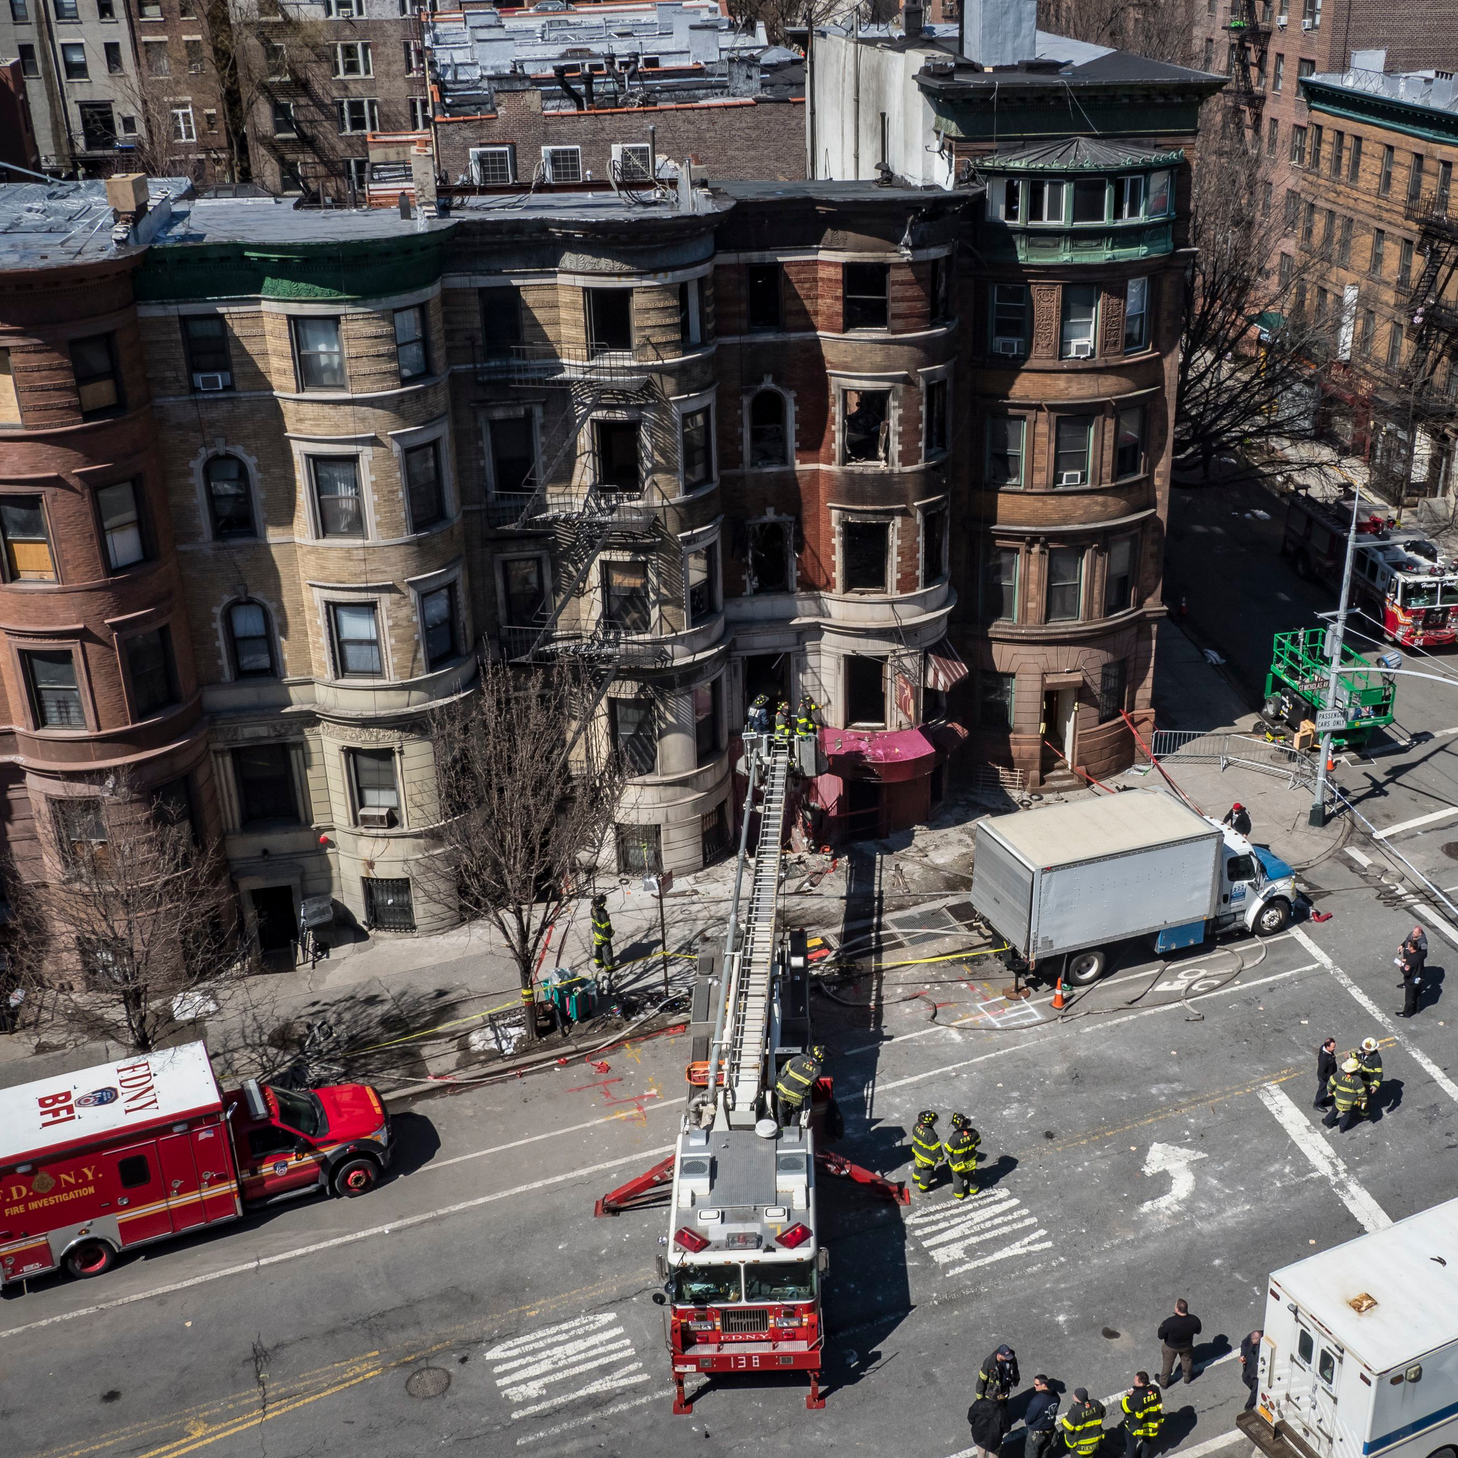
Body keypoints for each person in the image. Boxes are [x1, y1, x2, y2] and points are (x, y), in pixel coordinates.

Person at [774, 1044, 825, 1123]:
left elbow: (783, 1071)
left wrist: (781, 1078)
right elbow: (812, 1083)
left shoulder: (797, 1059)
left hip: (784, 1091)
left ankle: (782, 1129)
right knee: (796, 1113)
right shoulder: (817, 1070)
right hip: (797, 1097)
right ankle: (793, 1131)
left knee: (782, 1114)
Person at [1157, 1299, 1202, 1387]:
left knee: (1167, 1364)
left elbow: (1160, 1335)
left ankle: (1163, 1382)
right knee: (1187, 1361)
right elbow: (1198, 1331)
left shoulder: (1169, 1322)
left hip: (1170, 1347)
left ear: (1177, 1309)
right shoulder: (1194, 1320)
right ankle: (1187, 1378)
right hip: (1187, 1346)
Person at [1120, 1372, 1164, 1458]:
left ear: (1140, 1382)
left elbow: (1125, 1408)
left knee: (1131, 1445)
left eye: (1135, 1380)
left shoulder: (1137, 1396)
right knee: (1147, 1441)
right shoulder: (1155, 1389)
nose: (1134, 1380)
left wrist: (1127, 1396)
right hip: (1151, 1423)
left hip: (1137, 1426)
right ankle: (1145, 1456)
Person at [945, 1113, 983, 1202]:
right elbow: (978, 1142)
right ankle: (974, 1190)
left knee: (958, 1179)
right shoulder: (974, 1133)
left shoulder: (955, 1138)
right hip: (971, 1162)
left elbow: (948, 1150)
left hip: (958, 1164)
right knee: (972, 1176)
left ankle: (959, 1194)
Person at [1060, 1388, 1107, 1458]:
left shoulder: (1074, 1412)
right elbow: (1103, 1413)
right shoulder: (1096, 1404)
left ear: (1078, 1398)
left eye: (1075, 1395)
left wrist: (1065, 1419)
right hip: (1094, 1443)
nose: (1073, 1396)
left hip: (1080, 1446)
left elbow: (1067, 1428)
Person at [1324, 1056, 1368, 1132]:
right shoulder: (1357, 1080)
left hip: (1338, 1100)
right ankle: (1342, 1128)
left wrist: (1330, 1091)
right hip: (1349, 1103)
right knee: (1347, 1115)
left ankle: (1328, 1122)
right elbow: (1362, 1093)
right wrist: (1364, 1101)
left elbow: (1330, 1084)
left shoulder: (1339, 1074)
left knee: (1334, 1111)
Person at [1024, 1374, 1061, 1458]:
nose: (1034, 1386)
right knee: (1044, 1453)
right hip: (1049, 1432)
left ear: (1043, 1385)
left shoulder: (1037, 1401)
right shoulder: (1056, 1397)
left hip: (1036, 1434)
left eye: (1036, 1384)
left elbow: (1029, 1419)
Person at [911, 1109, 943, 1193]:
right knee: (927, 1172)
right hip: (927, 1158)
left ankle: (915, 1179)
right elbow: (936, 1148)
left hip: (917, 1153)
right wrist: (940, 1157)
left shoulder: (916, 1126)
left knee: (918, 1166)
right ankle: (923, 1187)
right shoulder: (930, 1133)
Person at [1397, 929, 1427, 1017]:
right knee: (1417, 995)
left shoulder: (1410, 959)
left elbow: (1406, 973)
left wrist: (1401, 966)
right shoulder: (1420, 954)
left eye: (1409, 946)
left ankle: (1407, 1013)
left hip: (1412, 981)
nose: (1408, 947)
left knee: (1409, 998)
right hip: (1420, 978)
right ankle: (1417, 1009)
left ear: (1412, 948)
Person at [590, 895, 614, 985]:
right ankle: (608, 968)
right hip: (604, 937)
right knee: (607, 952)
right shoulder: (602, 914)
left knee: (598, 950)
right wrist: (611, 933)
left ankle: (598, 963)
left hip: (597, 935)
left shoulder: (593, 910)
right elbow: (607, 928)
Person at [1239, 1331, 1263, 1412]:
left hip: (1257, 1372)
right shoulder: (1250, 1338)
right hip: (1249, 1367)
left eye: (1256, 1343)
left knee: (1255, 1391)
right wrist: (1243, 1355)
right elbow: (1244, 1345)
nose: (1253, 1344)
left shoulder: (1263, 1345)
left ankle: (1249, 1406)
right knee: (1245, 1379)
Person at [1314, 1037, 1338, 1110]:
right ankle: (1317, 1103)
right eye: (1333, 1047)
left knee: (1324, 1090)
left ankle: (1321, 1100)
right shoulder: (1324, 1058)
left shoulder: (1326, 1050)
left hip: (1329, 1074)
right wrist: (1329, 1078)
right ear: (1327, 1047)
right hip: (1325, 1077)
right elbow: (1321, 1072)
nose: (1334, 1049)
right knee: (1323, 1090)